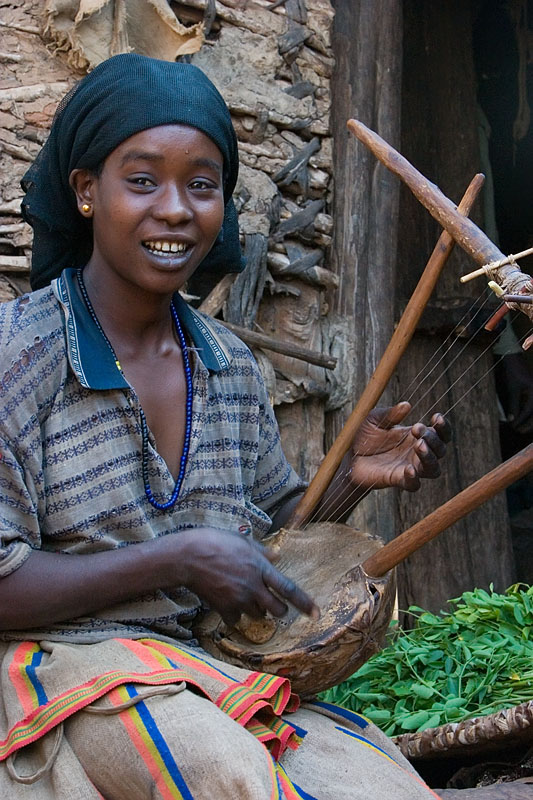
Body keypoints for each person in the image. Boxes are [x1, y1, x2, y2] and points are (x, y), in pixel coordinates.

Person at [0, 54, 450, 799]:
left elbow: (267, 532)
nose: (176, 209)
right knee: (224, 775)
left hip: (195, 666)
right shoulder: (21, 354)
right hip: (52, 659)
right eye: (141, 180)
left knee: (387, 789)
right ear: (86, 192)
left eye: (202, 185)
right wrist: (174, 559)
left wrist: (347, 482)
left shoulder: (226, 366)